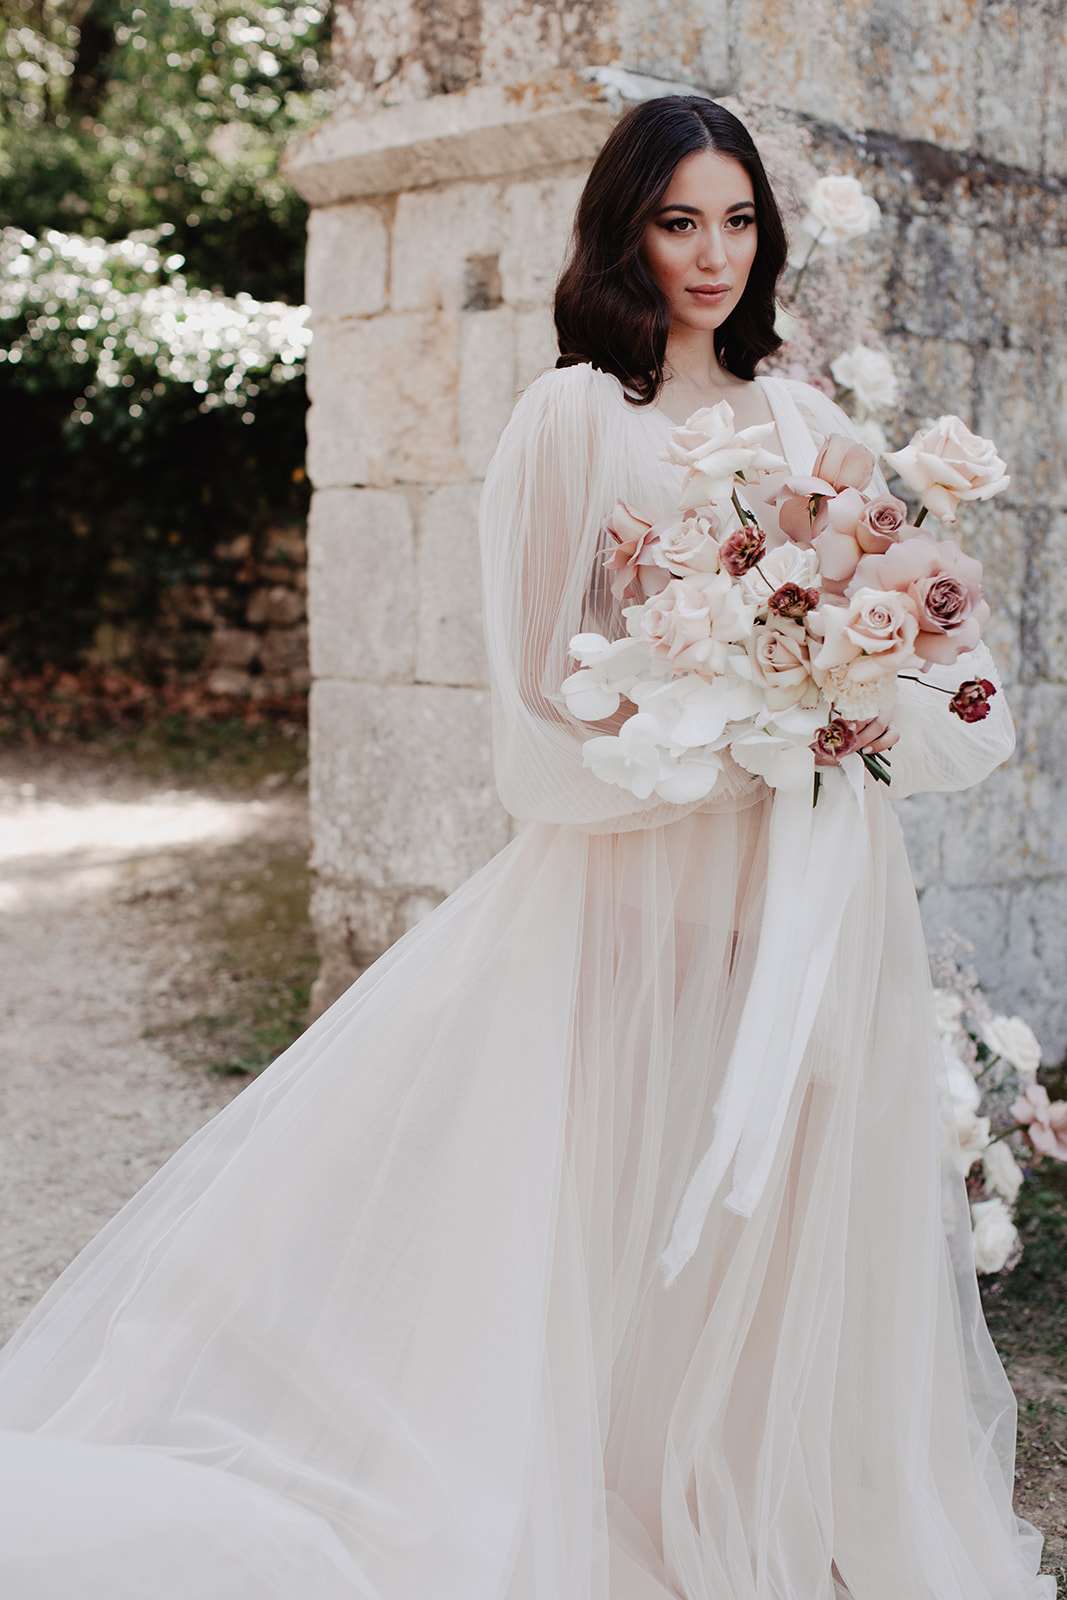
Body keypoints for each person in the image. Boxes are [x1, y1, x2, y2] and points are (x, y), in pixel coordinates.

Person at [0, 93, 1053, 1600]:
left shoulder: (810, 421)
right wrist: (727, 710)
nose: (713, 254)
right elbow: (544, 697)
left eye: (738, 219)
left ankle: (761, 1487)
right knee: (627, 1195)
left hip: (808, 883)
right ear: (626, 229)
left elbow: (905, 656)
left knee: (784, 1202)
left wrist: (836, 690)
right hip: (639, 875)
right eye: (680, 220)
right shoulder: (575, 418)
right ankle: (604, 1490)